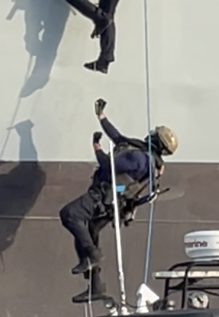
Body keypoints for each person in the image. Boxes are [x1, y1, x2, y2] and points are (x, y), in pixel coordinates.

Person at [60, 98, 178, 302]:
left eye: (153, 135)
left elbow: (107, 165)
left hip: (104, 197)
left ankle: (92, 256)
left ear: (157, 141)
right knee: (89, 232)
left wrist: (96, 146)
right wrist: (101, 116)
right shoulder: (143, 155)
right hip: (115, 201)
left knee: (70, 214)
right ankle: (95, 286)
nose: (149, 134)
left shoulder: (140, 159)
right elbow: (119, 138)